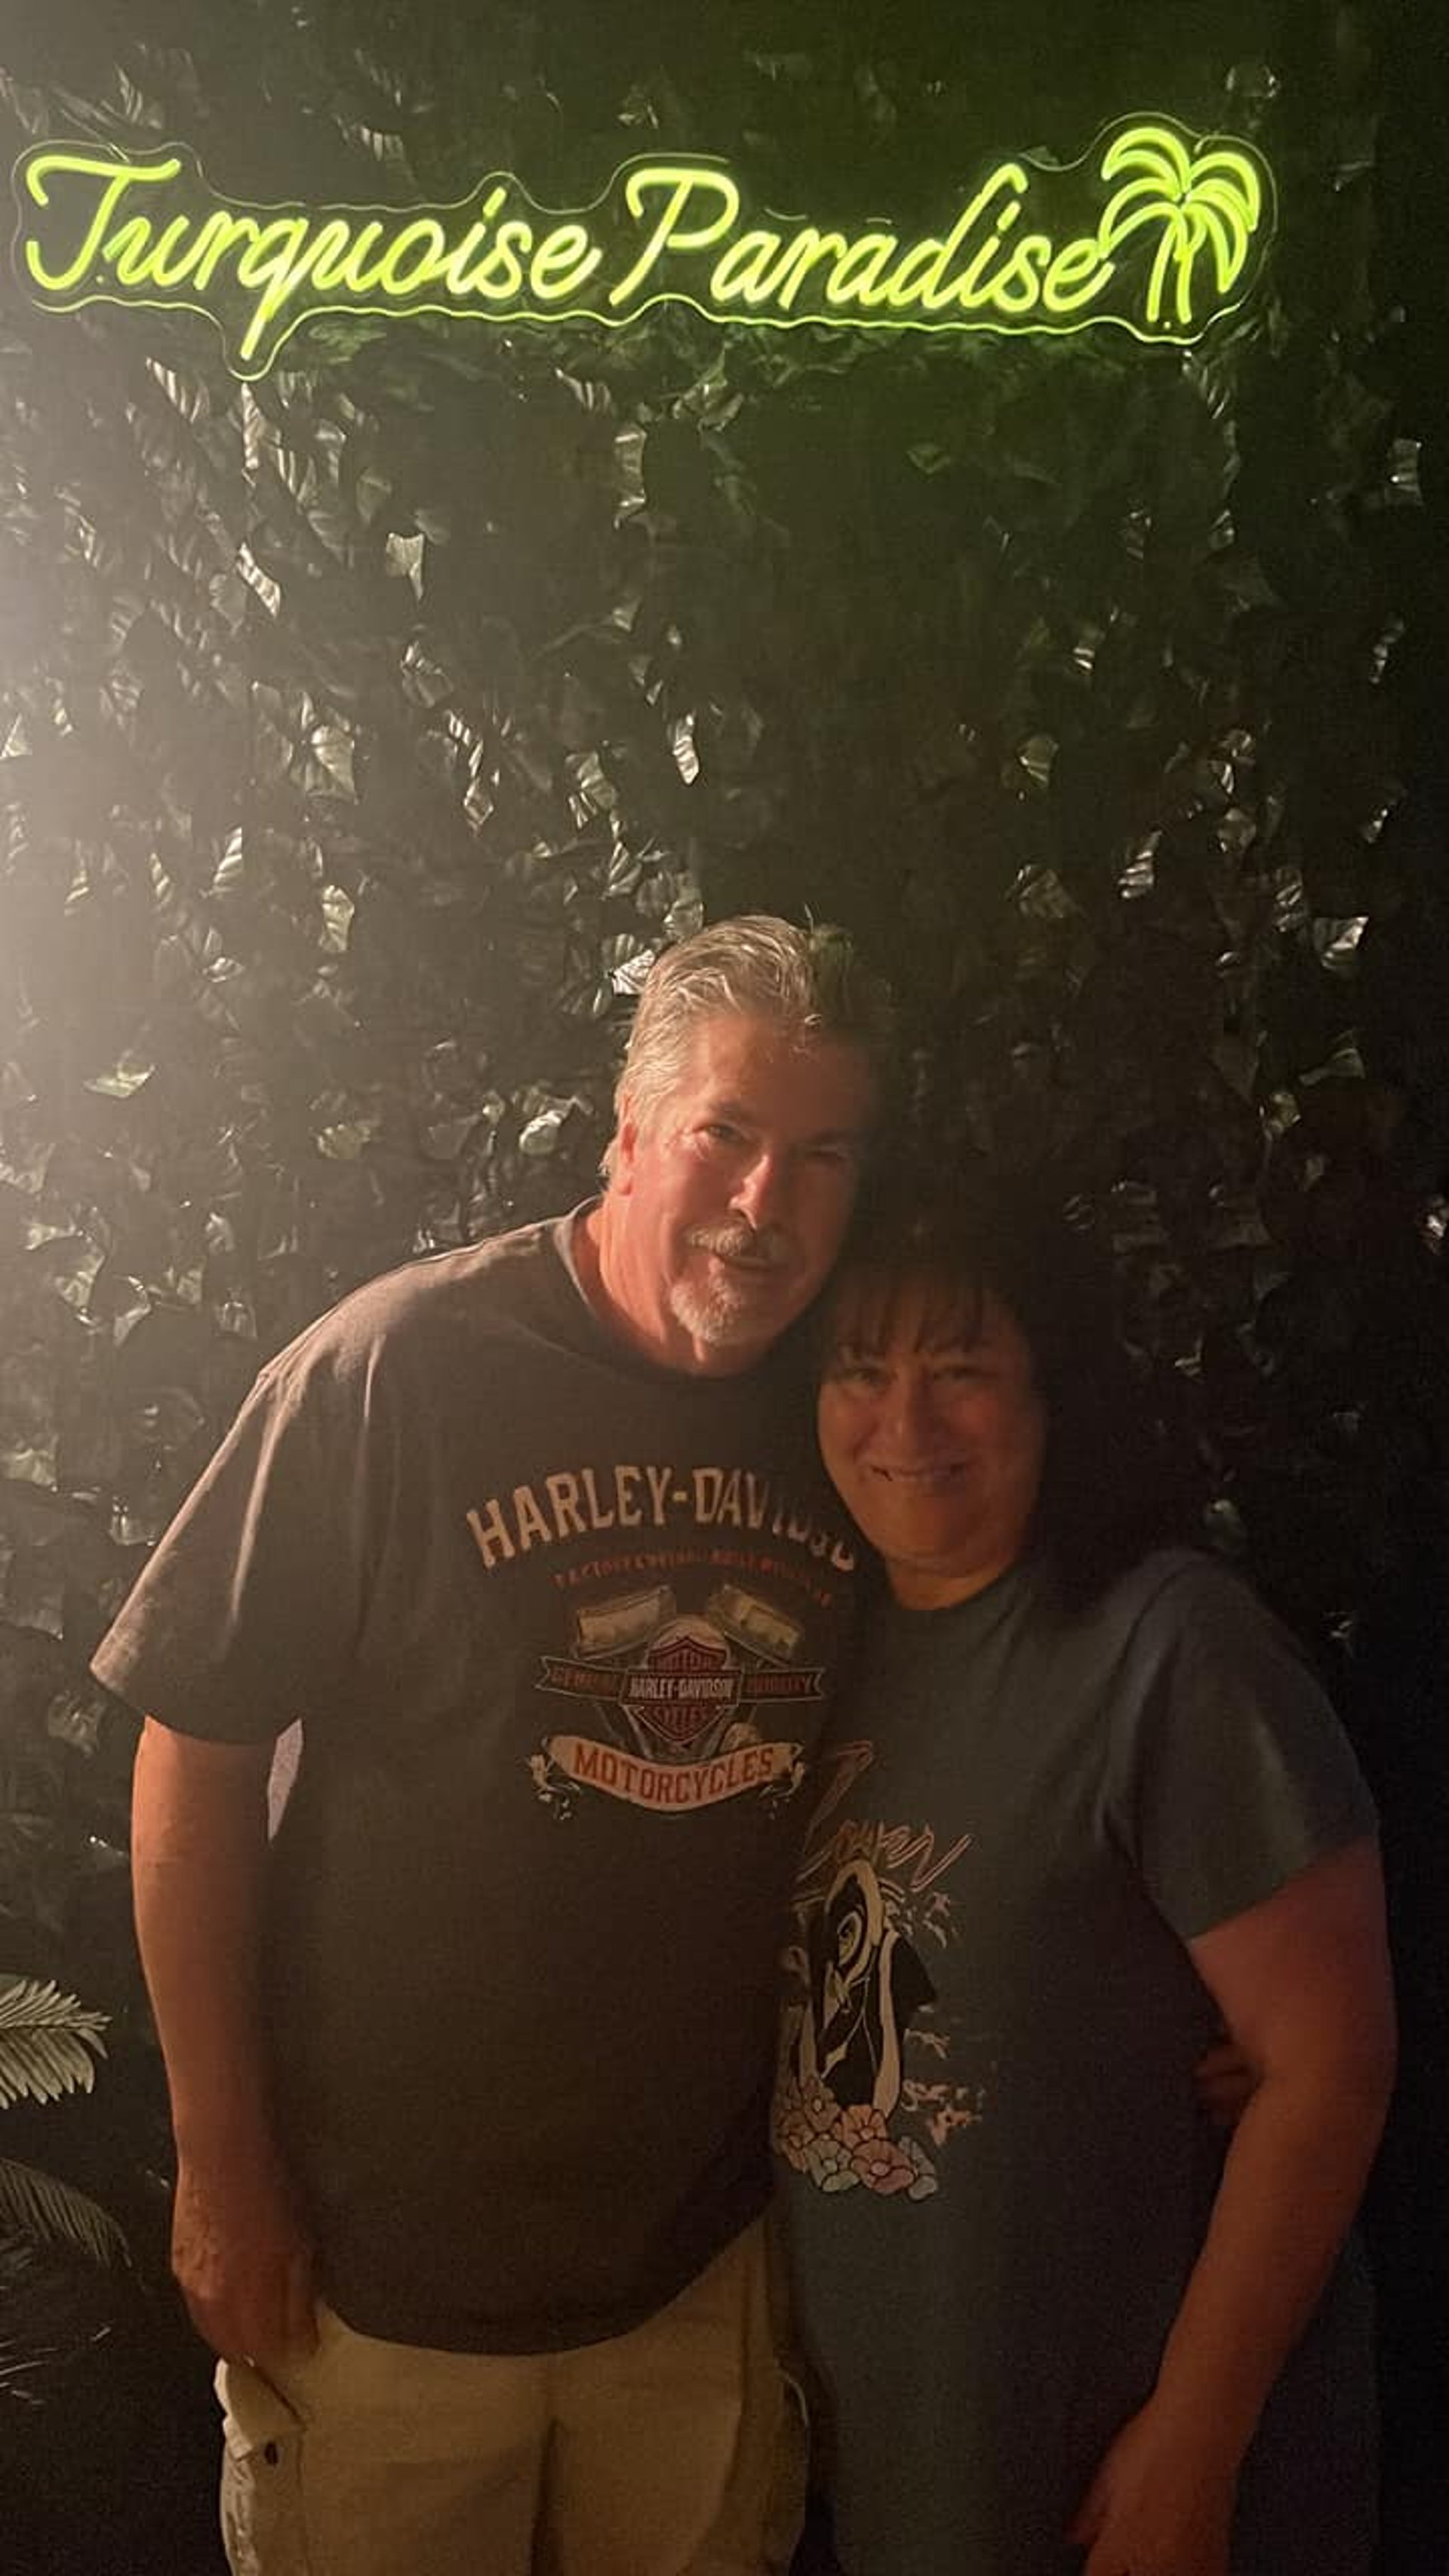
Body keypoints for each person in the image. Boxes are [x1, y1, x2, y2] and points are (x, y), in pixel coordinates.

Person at [93, 915, 894, 2576]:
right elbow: (196, 1750)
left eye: (821, 1155)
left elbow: (977, 1735)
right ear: (626, 1136)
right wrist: (218, 2164)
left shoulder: (860, 1410)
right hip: (373, 2279)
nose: (766, 1207)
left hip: (697, 2266)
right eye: (724, 1137)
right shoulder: (393, 1371)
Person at [774, 1171, 1397, 2576]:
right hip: (901, 2454)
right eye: (860, 1372)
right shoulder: (825, 1646)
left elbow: (1329, 2064)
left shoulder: (1170, 1649)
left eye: (963, 1370)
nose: (905, 1422)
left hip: (1124, 2474)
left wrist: (1197, 2437)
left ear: (1056, 1394)